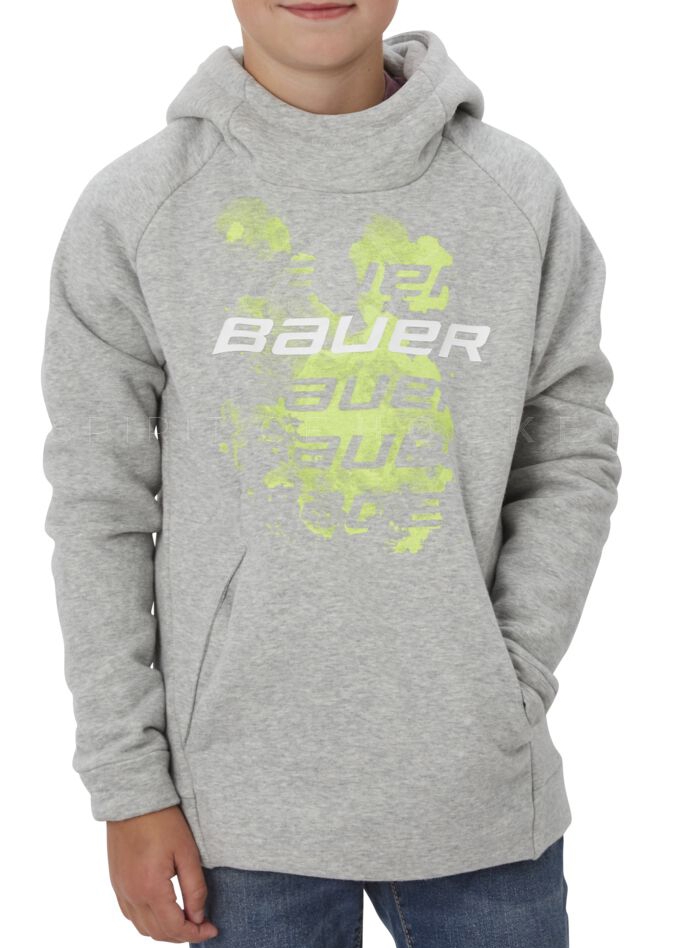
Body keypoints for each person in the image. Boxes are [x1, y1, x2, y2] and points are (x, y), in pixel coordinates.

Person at [41, 1, 621, 945]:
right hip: (233, 810)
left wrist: (505, 679)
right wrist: (127, 783)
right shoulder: (140, 207)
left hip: (476, 793)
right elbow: (98, 507)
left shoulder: (513, 195)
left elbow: (569, 449)